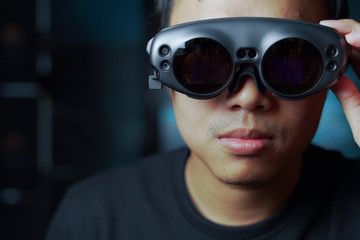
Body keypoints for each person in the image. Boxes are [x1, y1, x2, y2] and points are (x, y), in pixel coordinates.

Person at [46, 0, 360, 239]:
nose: (248, 98)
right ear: (162, 74)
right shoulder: (93, 218)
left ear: (333, 74)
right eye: (203, 63)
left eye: (291, 62)